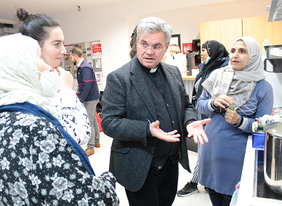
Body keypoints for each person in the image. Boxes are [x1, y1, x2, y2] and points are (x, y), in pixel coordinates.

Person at [101, 16, 211, 206]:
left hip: (169, 162)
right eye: (144, 44)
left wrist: (189, 122)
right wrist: (147, 129)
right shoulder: (119, 78)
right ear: (136, 43)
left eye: (156, 46)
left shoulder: (173, 72)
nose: (149, 52)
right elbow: (109, 123)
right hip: (141, 165)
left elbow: (186, 105)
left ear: (167, 47)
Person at [0, 33, 119, 205]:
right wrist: (108, 180)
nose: (48, 67)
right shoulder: (35, 127)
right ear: (20, 67)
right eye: (40, 57)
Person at [197, 36, 273, 206]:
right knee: (214, 196)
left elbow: (263, 126)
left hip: (237, 157)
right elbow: (199, 105)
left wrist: (240, 121)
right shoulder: (217, 75)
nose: (235, 55)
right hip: (211, 150)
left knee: (232, 199)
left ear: (253, 56)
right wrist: (213, 103)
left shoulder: (263, 87)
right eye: (233, 50)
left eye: (242, 51)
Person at [16, 8, 91, 145]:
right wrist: (67, 92)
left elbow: (85, 134)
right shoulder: (28, 91)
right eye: (57, 44)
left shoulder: (56, 79)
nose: (63, 50)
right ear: (35, 47)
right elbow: (70, 137)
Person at [177, 40, 230, 197]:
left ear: (213, 51)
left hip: (214, 114)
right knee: (205, 148)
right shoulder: (206, 67)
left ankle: (196, 181)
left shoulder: (223, 68)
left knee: (205, 149)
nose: (202, 53)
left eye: (205, 50)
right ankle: (207, 181)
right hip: (202, 109)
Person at [70, 47, 101, 156]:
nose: (71, 59)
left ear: (76, 56)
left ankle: (90, 147)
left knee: (90, 122)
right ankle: (97, 141)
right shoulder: (82, 67)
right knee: (93, 120)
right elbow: (83, 85)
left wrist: (82, 100)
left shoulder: (85, 68)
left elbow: (87, 84)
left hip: (90, 98)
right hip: (92, 97)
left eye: (71, 57)